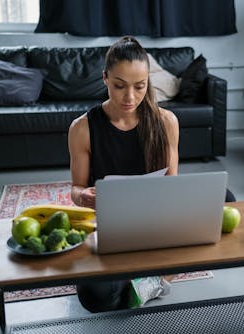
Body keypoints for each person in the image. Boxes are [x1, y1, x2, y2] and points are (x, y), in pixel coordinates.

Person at [68, 36, 179, 312]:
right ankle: (151, 278)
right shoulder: (82, 128)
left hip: (155, 219)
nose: (130, 97)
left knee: (224, 199)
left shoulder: (166, 122)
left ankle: (141, 276)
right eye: (119, 86)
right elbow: (76, 187)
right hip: (111, 226)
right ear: (105, 78)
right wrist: (83, 197)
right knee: (94, 297)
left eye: (139, 86)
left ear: (148, 81)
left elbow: (173, 186)